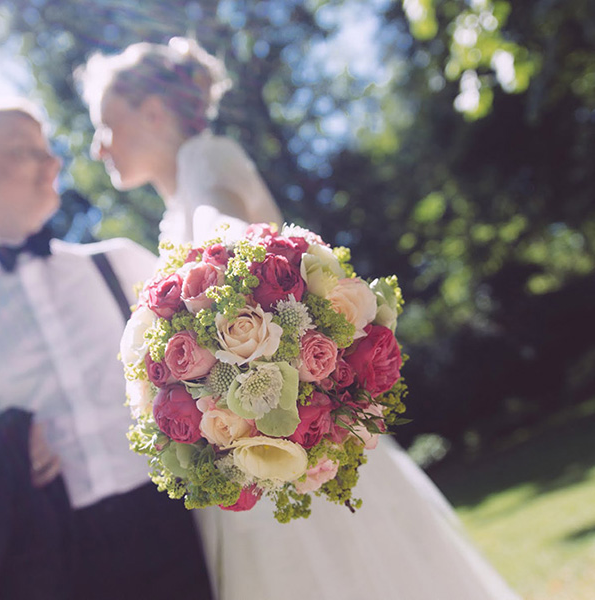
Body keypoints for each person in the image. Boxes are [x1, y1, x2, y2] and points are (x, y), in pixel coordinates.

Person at [78, 39, 519, 600]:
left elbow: (221, 214)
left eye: (105, 126)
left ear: (153, 112)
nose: (98, 148)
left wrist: (227, 252)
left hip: (293, 439)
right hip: (250, 443)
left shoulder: (205, 159)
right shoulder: (171, 211)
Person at [0, 101, 213, 599]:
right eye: (26, 152)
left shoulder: (120, 263)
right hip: (52, 564)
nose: (52, 166)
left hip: (180, 521)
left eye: (49, 152)